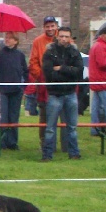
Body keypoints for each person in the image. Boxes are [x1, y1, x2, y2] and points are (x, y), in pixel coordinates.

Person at [41, 26, 83, 161]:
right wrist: (68, 71)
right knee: (50, 128)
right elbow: (48, 73)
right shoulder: (49, 52)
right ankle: (47, 155)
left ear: (70, 38)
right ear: (57, 36)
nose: (64, 39)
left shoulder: (75, 52)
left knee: (72, 127)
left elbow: (79, 72)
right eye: (62, 36)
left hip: (71, 93)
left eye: (66, 36)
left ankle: (74, 154)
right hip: (54, 94)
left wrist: (61, 68)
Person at [28, 16, 59, 148]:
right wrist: (41, 75)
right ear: (44, 27)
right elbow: (33, 62)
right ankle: (44, 143)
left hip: (61, 81)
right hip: (44, 83)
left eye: (52, 26)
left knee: (64, 116)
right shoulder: (38, 41)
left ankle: (66, 146)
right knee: (44, 115)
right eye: (47, 26)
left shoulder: (62, 39)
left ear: (56, 26)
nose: (50, 28)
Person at [0, 31, 28, 150]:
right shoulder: (0, 54)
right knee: (3, 117)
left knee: (14, 117)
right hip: (2, 90)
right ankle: (1, 141)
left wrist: (23, 86)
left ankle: (12, 142)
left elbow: (25, 71)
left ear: (16, 41)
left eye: (10, 38)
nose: (7, 40)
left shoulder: (20, 55)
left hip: (16, 91)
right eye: (6, 37)